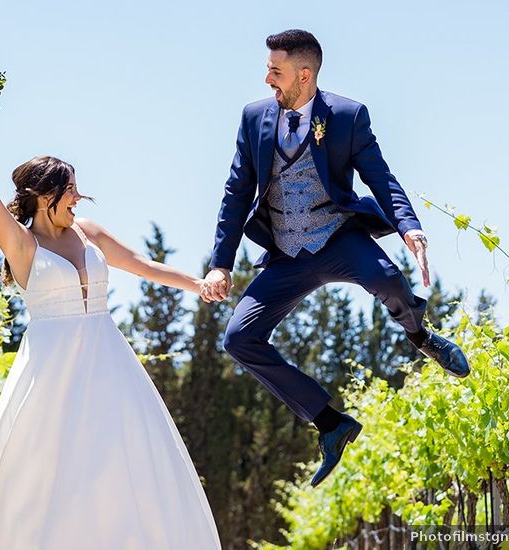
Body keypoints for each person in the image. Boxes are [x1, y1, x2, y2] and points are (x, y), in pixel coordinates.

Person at [201, 29, 470, 487]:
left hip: (337, 238)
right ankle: (330, 423)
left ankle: (421, 336)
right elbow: (236, 191)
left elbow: (379, 176)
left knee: (387, 278)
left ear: (303, 75)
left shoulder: (347, 116)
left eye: (276, 70)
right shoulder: (253, 119)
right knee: (238, 338)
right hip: (286, 252)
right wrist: (220, 262)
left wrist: (409, 226)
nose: (267, 79)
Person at [0, 109, 222, 550]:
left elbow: (139, 264)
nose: (78, 197)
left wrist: (198, 284)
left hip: (108, 362)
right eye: (68, 189)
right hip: (51, 373)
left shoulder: (87, 232)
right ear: (42, 196)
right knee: (47, 475)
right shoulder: (23, 245)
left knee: (122, 465)